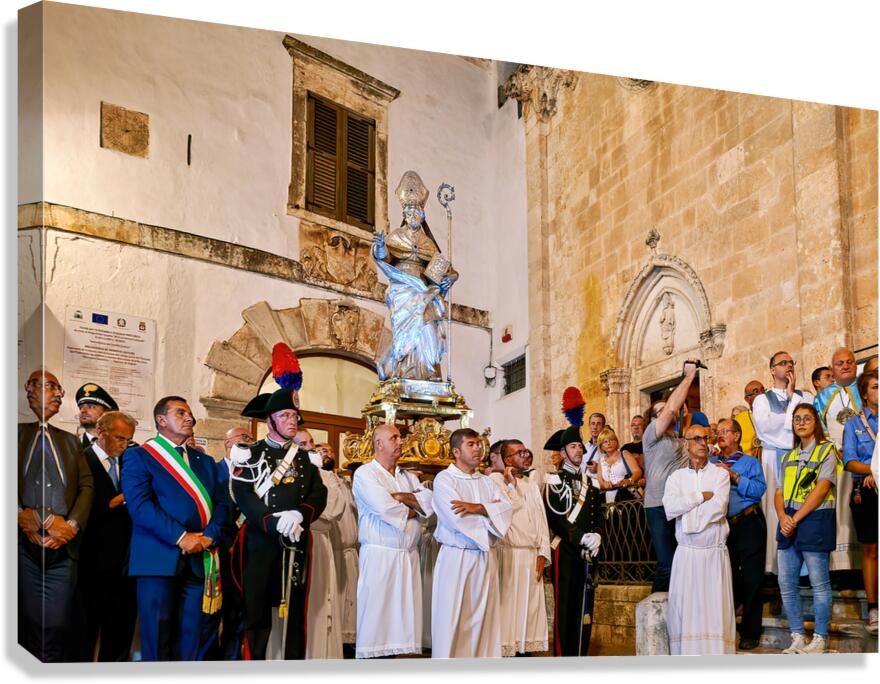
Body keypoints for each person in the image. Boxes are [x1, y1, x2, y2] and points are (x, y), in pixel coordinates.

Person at [121, 395, 228, 661]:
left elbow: (223, 503)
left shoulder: (204, 461)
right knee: (157, 638)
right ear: (161, 420)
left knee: (192, 637)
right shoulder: (140, 456)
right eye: (180, 413)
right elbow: (140, 506)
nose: (189, 418)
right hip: (158, 559)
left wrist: (208, 537)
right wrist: (181, 537)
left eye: (189, 414)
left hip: (199, 558)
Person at [229, 387, 327, 660]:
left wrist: (300, 515)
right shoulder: (250, 454)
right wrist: (271, 521)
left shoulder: (306, 459)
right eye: (285, 415)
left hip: (295, 540)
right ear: (269, 421)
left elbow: (319, 494)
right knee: (256, 612)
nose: (292, 421)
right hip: (260, 541)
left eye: (295, 415)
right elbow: (244, 496)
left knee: (296, 613)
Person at [18, 369, 94, 662]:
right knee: (26, 624)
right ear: (30, 389)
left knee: (58, 624)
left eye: (59, 389)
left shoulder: (70, 441)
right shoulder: (13, 433)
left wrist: (71, 525)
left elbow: (87, 485)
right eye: (51, 387)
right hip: (22, 549)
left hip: (63, 551)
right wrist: (18, 515)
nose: (60, 394)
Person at [352, 424, 434, 658]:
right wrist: (413, 507)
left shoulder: (407, 476)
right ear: (379, 444)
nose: (400, 442)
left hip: (408, 555)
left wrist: (402, 498)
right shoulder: (366, 473)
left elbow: (429, 503)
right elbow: (384, 508)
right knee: (378, 618)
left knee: (403, 621)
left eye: (400, 438)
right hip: (380, 555)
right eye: (394, 438)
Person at [431, 428, 513, 658]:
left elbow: (506, 510)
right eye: (471, 444)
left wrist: (479, 508)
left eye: (478, 444)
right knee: (453, 617)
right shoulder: (444, 480)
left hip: (485, 558)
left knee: (483, 618)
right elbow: (456, 517)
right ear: (456, 451)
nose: (478, 448)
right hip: (457, 556)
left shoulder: (487, 482)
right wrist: (490, 512)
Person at [371, 170, 458, 381]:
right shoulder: (396, 236)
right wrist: (381, 247)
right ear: (404, 215)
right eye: (409, 212)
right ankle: (404, 370)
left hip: (425, 289)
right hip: (403, 288)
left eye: (416, 211)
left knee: (427, 326)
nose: (412, 215)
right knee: (406, 331)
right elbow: (384, 256)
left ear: (422, 215)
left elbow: (445, 268)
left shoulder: (428, 243)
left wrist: (452, 277)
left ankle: (426, 370)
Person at [663, 424, 735, 655]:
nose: (703, 443)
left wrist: (688, 517)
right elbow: (670, 507)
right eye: (696, 438)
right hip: (687, 554)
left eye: (706, 438)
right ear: (686, 443)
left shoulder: (720, 474)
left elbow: (718, 508)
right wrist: (699, 496)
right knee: (687, 611)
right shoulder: (676, 477)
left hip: (713, 553)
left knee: (714, 611)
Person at [775, 403, 838, 654]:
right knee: (786, 582)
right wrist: (782, 516)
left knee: (819, 583)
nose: (801, 423)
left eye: (807, 418)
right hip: (788, 521)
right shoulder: (788, 456)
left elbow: (822, 488)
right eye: (797, 419)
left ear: (816, 423)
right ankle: (797, 635)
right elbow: (778, 491)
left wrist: (795, 518)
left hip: (814, 519)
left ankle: (820, 638)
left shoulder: (826, 450)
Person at [78, 410, 138, 661]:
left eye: (128, 440)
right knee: (84, 633)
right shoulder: (80, 460)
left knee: (120, 634)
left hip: (126, 563)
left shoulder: (131, 463)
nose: (124, 445)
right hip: (91, 562)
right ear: (101, 432)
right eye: (119, 438)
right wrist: (120, 500)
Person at [544, 424, 605, 656]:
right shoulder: (554, 481)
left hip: (589, 550)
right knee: (567, 607)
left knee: (585, 607)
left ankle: (580, 655)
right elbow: (556, 518)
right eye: (573, 446)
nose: (579, 450)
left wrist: (598, 534)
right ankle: (563, 657)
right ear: (562, 453)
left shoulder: (592, 483)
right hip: (566, 551)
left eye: (580, 446)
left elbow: (600, 514)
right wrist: (582, 537)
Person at [751, 351, 813, 574]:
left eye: (791, 362)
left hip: (802, 458)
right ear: (772, 370)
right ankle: (777, 566)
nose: (788, 366)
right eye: (783, 363)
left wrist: (791, 396)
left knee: (804, 506)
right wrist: (790, 422)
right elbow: (766, 430)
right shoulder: (761, 399)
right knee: (775, 509)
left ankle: (806, 567)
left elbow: (809, 425)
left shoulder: (804, 397)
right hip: (774, 459)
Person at [488, 440, 550, 656]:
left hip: (531, 555)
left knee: (530, 611)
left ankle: (526, 653)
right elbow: (503, 512)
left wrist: (543, 552)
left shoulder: (531, 483)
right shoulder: (495, 481)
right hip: (509, 554)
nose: (525, 455)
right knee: (509, 610)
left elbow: (541, 520)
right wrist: (511, 484)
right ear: (507, 460)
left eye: (525, 451)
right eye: (519, 452)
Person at [642, 360, 697, 593]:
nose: (665, 413)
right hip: (658, 506)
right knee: (667, 564)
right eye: (659, 412)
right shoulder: (651, 436)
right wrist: (688, 378)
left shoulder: (680, 441)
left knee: (684, 563)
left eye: (665, 410)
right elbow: (673, 410)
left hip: (681, 506)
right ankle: (654, 616)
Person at [714, 418, 767, 650]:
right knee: (728, 579)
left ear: (737, 435)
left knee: (752, 579)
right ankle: (726, 629)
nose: (720, 434)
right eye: (718, 431)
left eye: (725, 431)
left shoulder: (749, 462)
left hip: (748, 521)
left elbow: (759, 489)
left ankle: (750, 632)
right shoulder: (711, 462)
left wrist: (734, 477)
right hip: (724, 526)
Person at [293, 428, 345, 659]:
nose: (310, 448)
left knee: (321, 605)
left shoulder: (325, 476)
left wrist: (302, 512)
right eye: (303, 444)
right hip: (294, 542)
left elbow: (334, 509)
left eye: (311, 442)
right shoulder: (288, 473)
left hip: (320, 542)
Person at [814, 347, 860, 570]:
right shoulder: (823, 396)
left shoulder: (864, 390)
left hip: (863, 458)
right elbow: (819, 428)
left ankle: (862, 564)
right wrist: (836, 449)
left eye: (849, 362)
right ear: (832, 368)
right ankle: (840, 566)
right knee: (838, 510)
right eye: (840, 363)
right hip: (835, 459)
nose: (845, 365)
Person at [842, 369, 878, 634]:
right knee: (872, 549)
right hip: (865, 491)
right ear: (865, 394)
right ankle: (873, 607)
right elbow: (849, 462)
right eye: (876, 387)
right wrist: (872, 472)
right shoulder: (854, 424)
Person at [215, 425, 254, 660]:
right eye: (244, 438)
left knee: (241, 606)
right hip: (223, 549)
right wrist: (228, 541)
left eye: (251, 438)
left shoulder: (252, 472)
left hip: (248, 549)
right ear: (228, 444)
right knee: (224, 608)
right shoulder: (215, 470)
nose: (249, 442)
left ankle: (235, 658)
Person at [321, 442, 359, 654]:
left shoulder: (345, 483)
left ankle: (350, 643)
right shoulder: (320, 479)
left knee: (352, 601)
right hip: (332, 548)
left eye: (327, 450)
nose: (324, 453)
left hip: (350, 549)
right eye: (319, 450)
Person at [593, 427, 642, 503]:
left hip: (626, 497)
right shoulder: (601, 461)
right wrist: (604, 485)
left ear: (616, 442)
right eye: (605, 442)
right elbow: (599, 482)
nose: (608, 443)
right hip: (608, 499)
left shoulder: (625, 454)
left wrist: (629, 481)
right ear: (601, 446)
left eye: (611, 440)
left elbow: (638, 471)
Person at [75, 383, 120, 449]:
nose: (83, 411)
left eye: (91, 406)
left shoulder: (122, 446)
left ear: (106, 413)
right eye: (81, 407)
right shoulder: (72, 445)